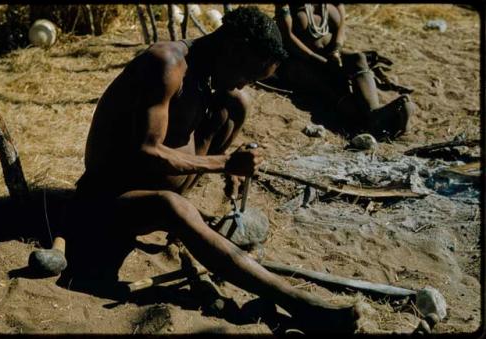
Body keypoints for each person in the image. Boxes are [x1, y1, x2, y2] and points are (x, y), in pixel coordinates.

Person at [58, 6, 359, 333]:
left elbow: (192, 135)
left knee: (237, 104)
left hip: (154, 193)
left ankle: (185, 225)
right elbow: (146, 151)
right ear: (234, 47)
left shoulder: (208, 78)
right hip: (105, 202)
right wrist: (223, 163)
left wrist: (228, 165)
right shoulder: (166, 64)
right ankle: (296, 302)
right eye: (249, 73)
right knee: (170, 205)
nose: (246, 83)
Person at [274, 3, 415, 139]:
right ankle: (373, 120)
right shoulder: (287, 6)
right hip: (302, 62)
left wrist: (336, 50)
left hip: (330, 55)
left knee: (358, 59)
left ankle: (374, 112)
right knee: (336, 88)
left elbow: (342, 25)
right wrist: (319, 60)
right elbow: (287, 38)